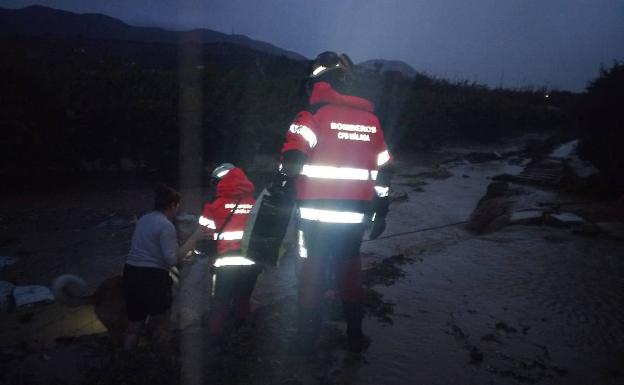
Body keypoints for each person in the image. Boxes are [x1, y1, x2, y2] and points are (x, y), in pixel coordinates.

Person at [273, 51, 392, 353]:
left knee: (311, 275)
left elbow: (292, 161)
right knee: (350, 272)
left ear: (316, 82)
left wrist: (281, 183)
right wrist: (381, 214)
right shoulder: (372, 121)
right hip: (354, 220)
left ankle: (306, 342)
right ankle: (355, 337)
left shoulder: (310, 116)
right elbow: (384, 173)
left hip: (314, 219)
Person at [122, 183, 208, 351]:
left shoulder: (145, 218)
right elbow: (172, 260)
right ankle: (162, 363)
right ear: (171, 205)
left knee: (134, 324)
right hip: (153, 278)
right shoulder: (165, 225)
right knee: (161, 325)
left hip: (131, 273)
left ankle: (127, 360)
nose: (177, 210)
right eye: (177, 206)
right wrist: (195, 238)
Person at [197, 163, 260, 345]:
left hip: (225, 264)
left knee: (220, 302)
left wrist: (204, 256)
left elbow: (204, 239)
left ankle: (216, 341)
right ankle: (244, 338)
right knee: (243, 299)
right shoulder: (254, 204)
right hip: (251, 263)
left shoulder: (213, 206)